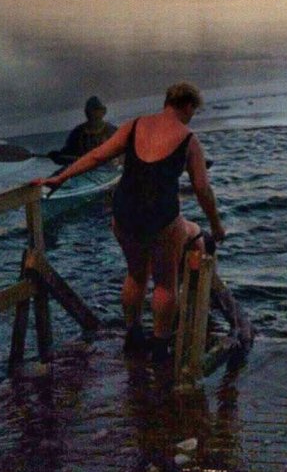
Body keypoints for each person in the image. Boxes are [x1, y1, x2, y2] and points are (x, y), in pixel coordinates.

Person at [34, 82, 226, 361]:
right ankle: (160, 345)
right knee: (165, 283)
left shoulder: (133, 126)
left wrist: (61, 178)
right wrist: (216, 225)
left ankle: (133, 335)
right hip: (161, 215)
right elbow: (202, 189)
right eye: (192, 112)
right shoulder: (189, 139)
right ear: (187, 106)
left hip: (124, 211)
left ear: (166, 102)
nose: (190, 117)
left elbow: (97, 156)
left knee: (136, 275)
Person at [55, 95, 117, 162]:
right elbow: (67, 153)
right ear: (86, 112)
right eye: (90, 110)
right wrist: (58, 156)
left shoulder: (113, 131)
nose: (93, 113)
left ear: (103, 112)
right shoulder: (77, 132)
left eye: (96, 110)